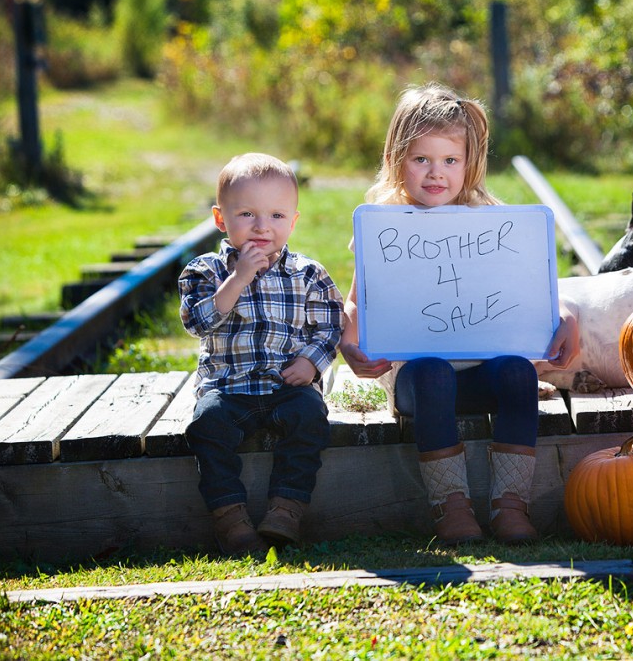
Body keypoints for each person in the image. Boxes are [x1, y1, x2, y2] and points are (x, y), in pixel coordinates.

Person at [340, 83, 580, 545]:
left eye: (450, 160)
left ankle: (511, 504)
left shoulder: (490, 220)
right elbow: (356, 302)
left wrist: (566, 314)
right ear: (396, 159)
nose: (436, 174)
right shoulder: (384, 223)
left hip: (481, 377)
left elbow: (533, 290)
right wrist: (350, 347)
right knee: (431, 373)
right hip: (419, 383)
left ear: (469, 163)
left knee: (516, 373)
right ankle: (450, 505)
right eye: (421, 160)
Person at [179, 153, 344, 555]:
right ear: (221, 220)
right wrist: (237, 280)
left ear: (293, 221)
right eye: (248, 214)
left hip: (285, 385)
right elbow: (196, 323)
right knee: (207, 427)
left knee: (310, 417)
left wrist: (311, 362)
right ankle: (230, 519)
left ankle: (286, 508)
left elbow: (329, 327)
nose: (262, 227)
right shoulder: (205, 271)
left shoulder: (308, 273)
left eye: (276, 216)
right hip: (228, 386)